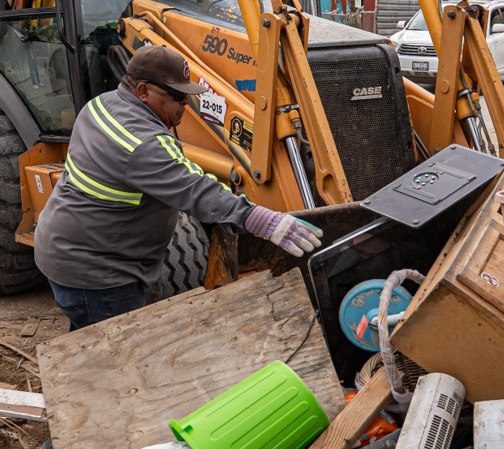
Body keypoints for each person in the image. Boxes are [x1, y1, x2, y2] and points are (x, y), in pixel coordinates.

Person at [34, 45, 324, 330]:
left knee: (87, 345)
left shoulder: (100, 105)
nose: (185, 106)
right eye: (177, 97)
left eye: (187, 97)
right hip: (98, 275)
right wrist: (261, 219)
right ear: (144, 91)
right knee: (119, 362)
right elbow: (194, 188)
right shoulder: (143, 144)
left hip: (65, 250)